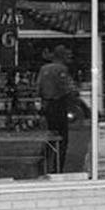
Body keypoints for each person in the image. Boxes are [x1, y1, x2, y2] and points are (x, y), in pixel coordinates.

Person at [36, 44, 74, 173]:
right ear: (62, 56)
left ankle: (42, 161)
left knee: (51, 135)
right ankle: (58, 168)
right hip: (59, 105)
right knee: (62, 139)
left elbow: (38, 88)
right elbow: (66, 88)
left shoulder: (43, 69)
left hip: (47, 106)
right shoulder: (61, 69)